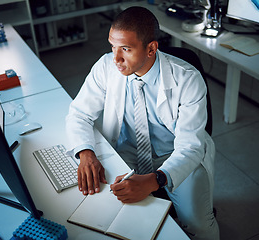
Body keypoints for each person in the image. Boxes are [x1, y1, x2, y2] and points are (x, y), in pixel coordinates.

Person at [65, 6, 219, 240]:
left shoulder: (187, 79)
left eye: (125, 49)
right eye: (113, 47)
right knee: (112, 217)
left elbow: (190, 147)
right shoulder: (106, 66)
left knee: (198, 225)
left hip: (176, 157)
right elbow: (78, 114)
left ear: (151, 48)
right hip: (125, 154)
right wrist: (86, 153)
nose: (116, 58)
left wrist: (155, 180)